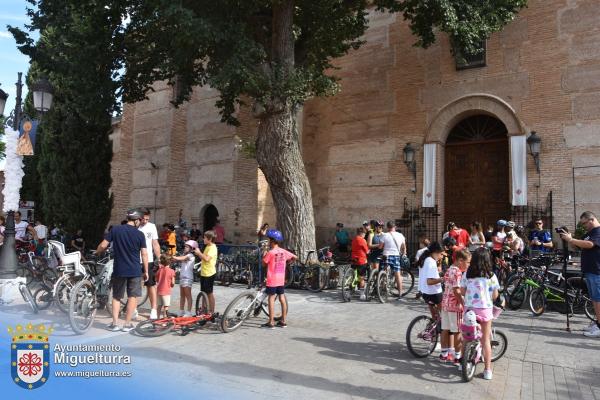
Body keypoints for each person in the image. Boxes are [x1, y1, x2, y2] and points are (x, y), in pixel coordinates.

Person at [96, 209, 148, 332]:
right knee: (132, 296)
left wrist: (97, 251)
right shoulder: (140, 235)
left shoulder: (116, 230)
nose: (140, 223)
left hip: (119, 268)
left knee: (116, 297)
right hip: (135, 270)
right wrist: (145, 271)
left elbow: (103, 245)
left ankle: (114, 324)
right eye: (140, 221)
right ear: (136, 220)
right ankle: (127, 324)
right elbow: (144, 254)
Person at [460, 247, 500, 380]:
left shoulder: (467, 273)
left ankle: (462, 364)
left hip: (469, 310)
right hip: (484, 311)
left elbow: (462, 291)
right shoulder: (491, 275)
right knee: (486, 340)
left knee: (466, 338)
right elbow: (495, 296)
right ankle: (488, 371)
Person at [559, 211, 600, 337]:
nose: (583, 226)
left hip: (597, 271)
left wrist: (572, 239)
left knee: (598, 299)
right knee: (594, 298)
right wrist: (570, 239)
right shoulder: (589, 233)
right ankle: (598, 322)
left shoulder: (598, 232)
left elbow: (589, 244)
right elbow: (580, 244)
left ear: (592, 220)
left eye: (584, 223)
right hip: (590, 270)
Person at [440, 248, 470, 364]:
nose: (468, 265)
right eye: (467, 262)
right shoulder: (457, 272)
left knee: (445, 329)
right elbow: (457, 291)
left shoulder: (449, 270)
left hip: (445, 304)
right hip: (455, 306)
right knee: (457, 332)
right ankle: (457, 357)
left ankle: (444, 354)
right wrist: (463, 303)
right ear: (460, 260)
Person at [262, 229, 296, 328]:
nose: (268, 242)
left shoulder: (271, 252)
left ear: (272, 241)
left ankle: (271, 322)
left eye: (269, 240)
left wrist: (264, 253)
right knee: (281, 298)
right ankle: (283, 321)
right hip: (281, 279)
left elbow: (264, 264)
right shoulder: (283, 251)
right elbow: (294, 257)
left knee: (271, 299)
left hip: (272, 279)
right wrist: (287, 263)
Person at [139, 208, 162, 319]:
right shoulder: (135, 226)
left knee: (151, 285)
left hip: (148, 259)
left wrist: (160, 258)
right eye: (143, 219)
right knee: (135, 285)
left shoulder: (152, 226)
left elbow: (155, 243)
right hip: (135, 259)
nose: (145, 221)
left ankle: (153, 309)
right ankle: (133, 308)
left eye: (147, 219)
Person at [417, 242, 444, 320]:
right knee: (445, 317)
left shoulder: (425, 259)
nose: (441, 257)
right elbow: (429, 282)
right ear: (435, 252)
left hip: (425, 292)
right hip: (434, 293)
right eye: (441, 254)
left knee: (435, 317)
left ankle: (433, 330)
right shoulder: (431, 262)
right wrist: (443, 279)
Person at [193, 230, 218, 313]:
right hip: (204, 272)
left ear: (210, 239)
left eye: (205, 238)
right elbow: (203, 258)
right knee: (203, 292)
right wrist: (199, 254)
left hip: (209, 274)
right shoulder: (207, 246)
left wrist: (199, 253)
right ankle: (204, 310)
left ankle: (212, 312)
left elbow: (207, 259)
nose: (203, 239)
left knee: (209, 293)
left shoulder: (213, 248)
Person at [172, 240, 198, 316]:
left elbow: (181, 258)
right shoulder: (185, 255)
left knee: (188, 295)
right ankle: (181, 310)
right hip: (182, 277)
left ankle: (189, 312)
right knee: (182, 295)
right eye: (185, 246)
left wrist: (174, 257)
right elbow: (179, 259)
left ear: (192, 248)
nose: (185, 248)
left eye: (187, 247)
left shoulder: (190, 256)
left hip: (187, 278)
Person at [351, 227, 370, 300]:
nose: (365, 235)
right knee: (362, 278)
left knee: (355, 275)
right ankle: (362, 295)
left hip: (353, 259)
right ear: (362, 233)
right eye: (365, 234)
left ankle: (353, 288)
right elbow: (367, 251)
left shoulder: (354, 239)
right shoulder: (362, 240)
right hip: (361, 260)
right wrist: (369, 251)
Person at [155, 254, 175, 318]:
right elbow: (173, 283)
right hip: (166, 291)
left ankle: (157, 318)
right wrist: (171, 285)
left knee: (159, 305)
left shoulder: (159, 270)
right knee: (166, 307)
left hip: (159, 290)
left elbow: (156, 280)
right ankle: (164, 320)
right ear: (170, 262)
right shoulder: (172, 271)